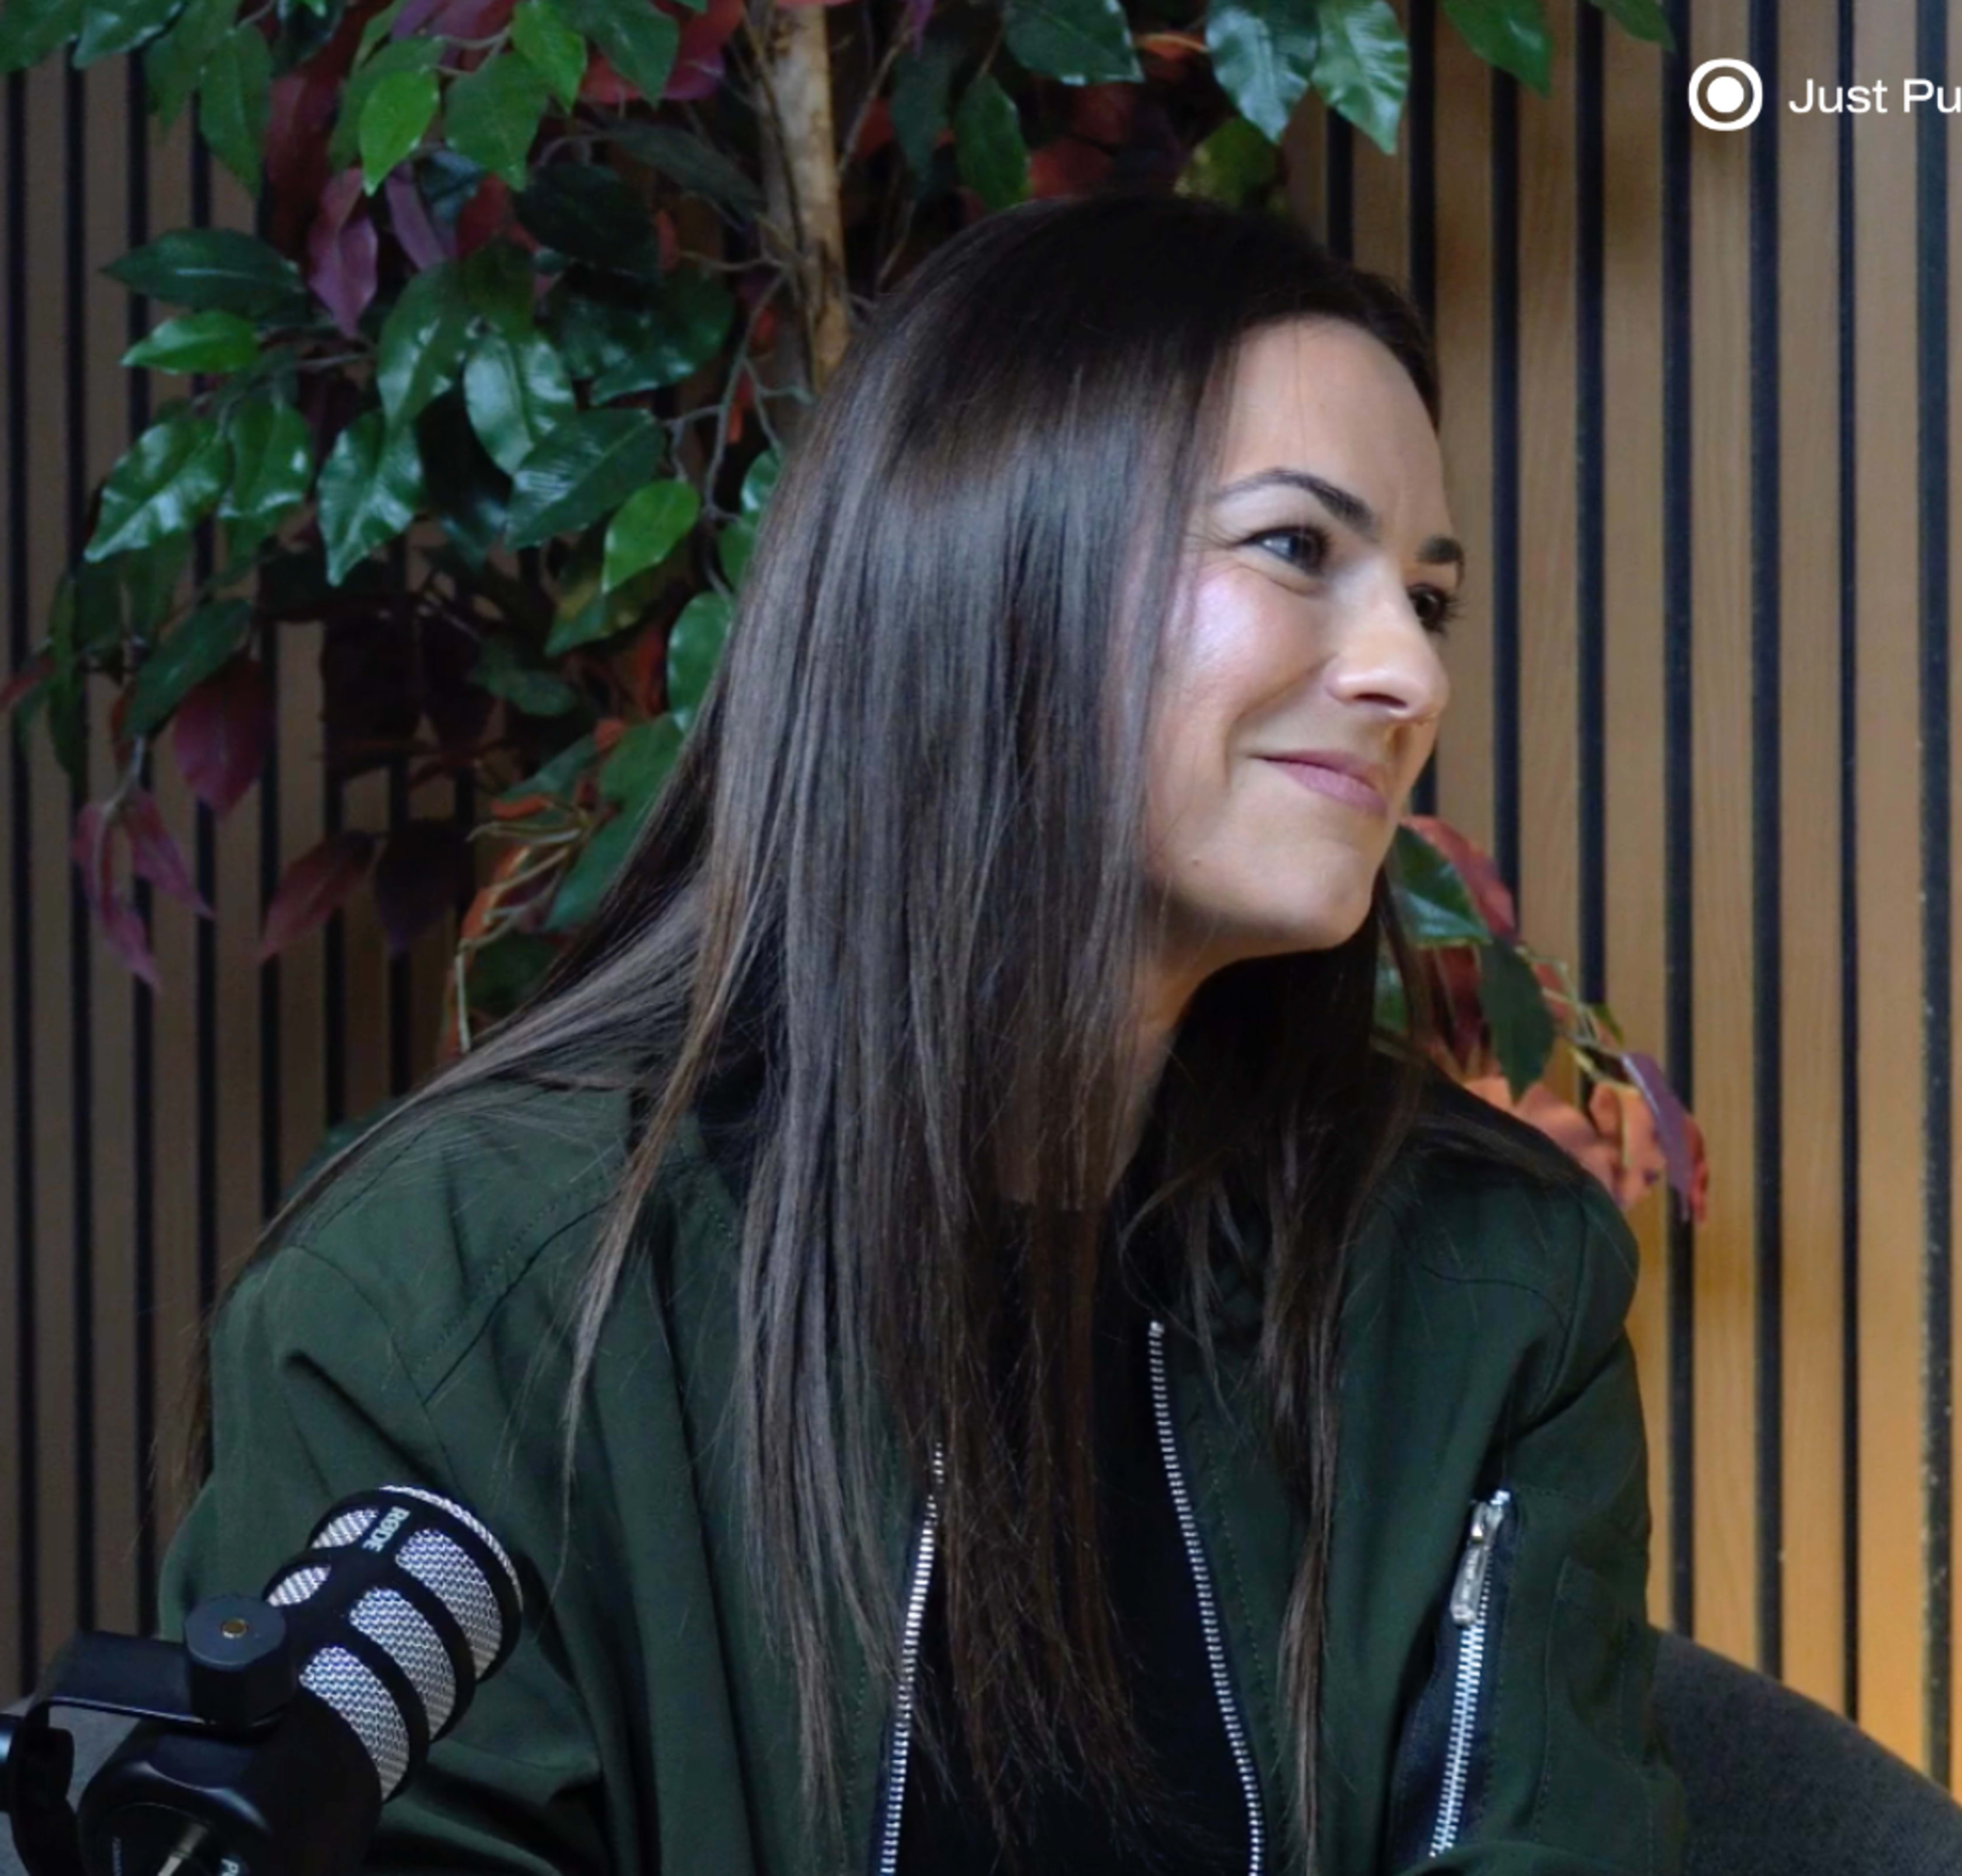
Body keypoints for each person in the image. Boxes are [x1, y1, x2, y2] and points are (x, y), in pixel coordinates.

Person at [158, 190, 1688, 1876]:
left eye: (1430, 598)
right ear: (992, 565)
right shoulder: (462, 1291)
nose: (1408, 671)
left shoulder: (1489, 1286)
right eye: (1296, 550)